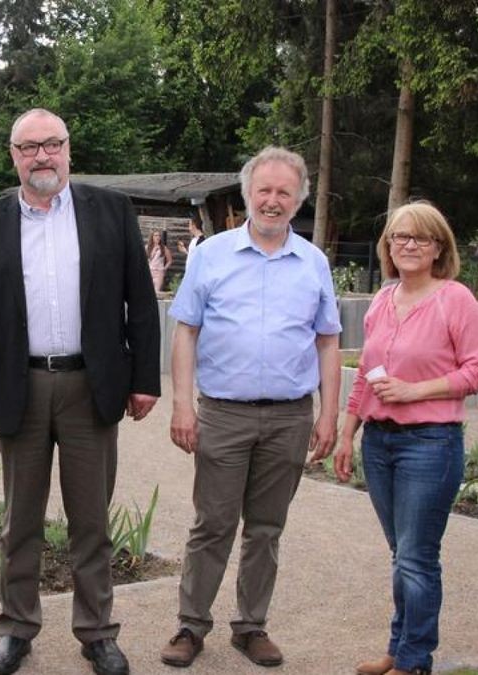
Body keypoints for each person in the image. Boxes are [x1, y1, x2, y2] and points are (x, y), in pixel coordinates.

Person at [0, 108, 161, 675]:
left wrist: (144, 380)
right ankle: (16, 629)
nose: (42, 156)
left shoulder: (111, 211)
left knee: (90, 519)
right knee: (19, 520)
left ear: (69, 149)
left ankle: (97, 632)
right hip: (17, 385)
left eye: (52, 144)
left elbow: (139, 303)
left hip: (90, 386)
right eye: (29, 147)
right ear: (13, 155)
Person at [160, 147, 341, 669]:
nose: (273, 200)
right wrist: (181, 405)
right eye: (264, 190)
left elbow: (328, 341)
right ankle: (191, 626)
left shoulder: (313, 263)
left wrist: (328, 414)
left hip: (289, 416)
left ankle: (251, 625)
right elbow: (185, 330)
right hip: (223, 412)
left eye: (285, 192)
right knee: (212, 524)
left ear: (299, 199)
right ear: (248, 195)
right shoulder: (211, 255)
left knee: (266, 529)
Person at [333, 202, 478, 675]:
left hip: (429, 444)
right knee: (401, 555)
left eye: (420, 238)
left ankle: (415, 660)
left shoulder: (455, 299)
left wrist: (414, 391)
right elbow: (365, 373)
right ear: (387, 246)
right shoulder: (383, 301)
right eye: (399, 237)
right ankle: (399, 649)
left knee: (417, 558)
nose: (408, 245)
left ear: (439, 247)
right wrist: (348, 434)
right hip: (378, 444)